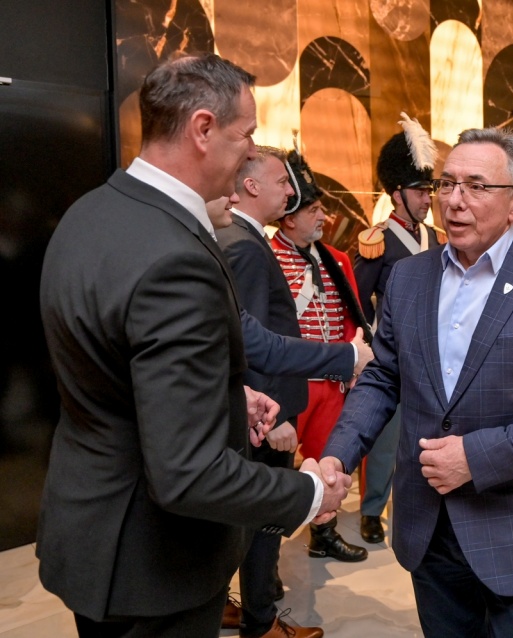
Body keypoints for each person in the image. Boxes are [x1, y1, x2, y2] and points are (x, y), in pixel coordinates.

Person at [36, 53, 348, 637]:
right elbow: (189, 473)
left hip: (90, 526)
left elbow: (114, 366)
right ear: (203, 129)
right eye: (246, 135)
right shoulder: (175, 258)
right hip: (153, 560)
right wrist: (307, 492)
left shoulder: (92, 209)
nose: (250, 152)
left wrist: (228, 398)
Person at [318, 127, 513, 637]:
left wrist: (475, 457)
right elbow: (384, 376)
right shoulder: (409, 276)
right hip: (429, 530)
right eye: (446, 184)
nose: (454, 200)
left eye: (476, 186)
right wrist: (337, 455)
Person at [216, 147, 343, 638]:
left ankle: (229, 605)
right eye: (282, 182)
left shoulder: (242, 237)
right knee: (262, 522)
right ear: (251, 186)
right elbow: (251, 343)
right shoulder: (246, 245)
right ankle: (262, 621)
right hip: (266, 412)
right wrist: (274, 417)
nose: (291, 191)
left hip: (262, 407)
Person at [273, 151, 372, 563]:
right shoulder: (268, 257)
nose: (323, 217)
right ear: (288, 218)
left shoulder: (337, 259)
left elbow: (351, 317)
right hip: (290, 383)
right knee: (279, 470)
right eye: (313, 210)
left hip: (332, 383)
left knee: (329, 463)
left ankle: (323, 533)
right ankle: (266, 560)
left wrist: (351, 365)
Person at [353, 114, 447, 544]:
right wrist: (371, 349)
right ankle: (372, 509)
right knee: (384, 440)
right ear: (397, 194)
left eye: (429, 191)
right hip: (392, 357)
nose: (428, 199)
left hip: (435, 357)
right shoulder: (377, 241)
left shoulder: (438, 238)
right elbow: (358, 302)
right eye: (419, 191)